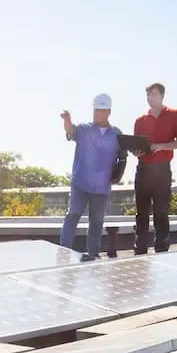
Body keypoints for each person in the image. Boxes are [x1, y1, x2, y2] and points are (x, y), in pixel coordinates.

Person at [59, 94, 125, 261]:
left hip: (101, 187)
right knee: (73, 215)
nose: (96, 114)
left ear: (108, 112)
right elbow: (71, 131)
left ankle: (93, 254)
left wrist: (118, 174)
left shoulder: (117, 134)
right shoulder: (84, 129)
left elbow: (123, 155)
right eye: (95, 110)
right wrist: (67, 120)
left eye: (100, 111)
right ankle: (64, 250)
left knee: (96, 222)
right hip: (80, 183)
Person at [131, 82, 177, 254]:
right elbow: (135, 145)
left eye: (154, 94)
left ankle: (161, 247)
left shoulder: (174, 115)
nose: (150, 97)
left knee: (161, 211)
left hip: (162, 170)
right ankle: (140, 248)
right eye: (148, 94)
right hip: (143, 169)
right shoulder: (140, 120)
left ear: (162, 95)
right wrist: (136, 151)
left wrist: (161, 146)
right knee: (141, 211)